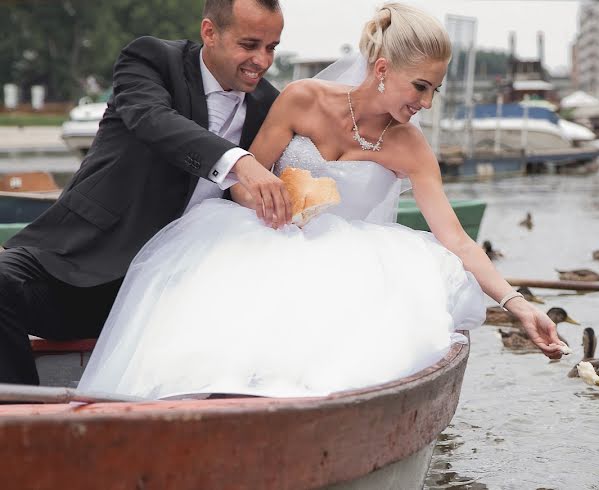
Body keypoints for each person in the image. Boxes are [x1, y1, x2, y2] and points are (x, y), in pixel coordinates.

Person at [77, 3, 566, 399]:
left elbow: (454, 237)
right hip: (268, 236)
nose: (426, 102)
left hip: (351, 264)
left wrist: (518, 304)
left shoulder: (411, 147)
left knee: (339, 347)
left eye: (434, 90)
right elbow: (245, 182)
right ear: (381, 69)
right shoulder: (301, 98)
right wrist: (271, 200)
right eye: (420, 86)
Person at [0, 0, 291, 385]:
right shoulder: (152, 59)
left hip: (182, 291)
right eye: (249, 44)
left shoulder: (270, 105)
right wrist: (241, 162)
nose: (262, 60)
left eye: (272, 47)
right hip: (85, 266)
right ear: (209, 32)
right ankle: (23, 422)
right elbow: (153, 120)